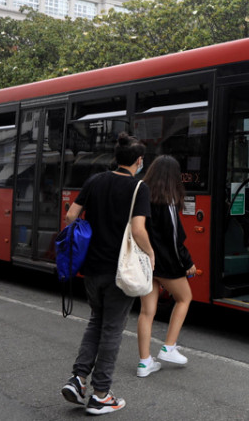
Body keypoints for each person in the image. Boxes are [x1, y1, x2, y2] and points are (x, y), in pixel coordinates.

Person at [60, 132, 155, 416]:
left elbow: (70, 217)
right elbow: (138, 230)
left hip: (92, 267)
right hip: (120, 271)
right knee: (112, 329)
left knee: (95, 322)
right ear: (138, 161)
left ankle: (78, 380)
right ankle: (101, 394)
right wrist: (150, 254)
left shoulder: (94, 181)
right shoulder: (139, 188)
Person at [136, 155, 196, 378]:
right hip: (165, 264)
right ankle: (168, 347)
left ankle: (144, 363)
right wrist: (187, 261)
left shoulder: (144, 195)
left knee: (146, 312)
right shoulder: (168, 201)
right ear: (173, 177)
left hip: (146, 262)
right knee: (184, 298)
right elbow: (174, 237)